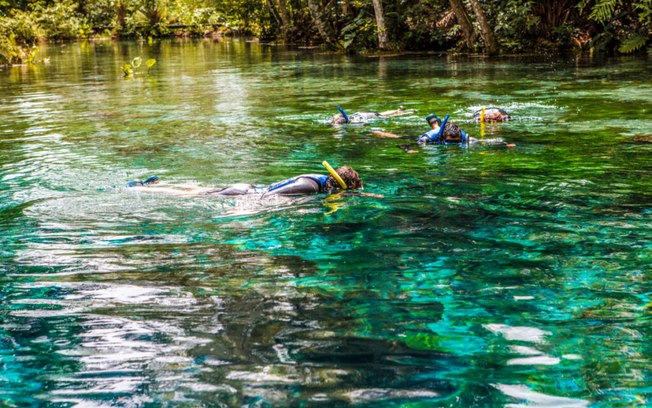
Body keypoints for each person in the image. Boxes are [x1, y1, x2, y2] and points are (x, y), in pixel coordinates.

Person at [126, 166, 362, 196]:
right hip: (244, 193)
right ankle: (147, 191)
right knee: (194, 195)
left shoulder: (319, 179)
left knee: (198, 188)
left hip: (245, 186)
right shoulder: (310, 186)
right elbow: (269, 196)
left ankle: (151, 185)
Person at [331, 106, 410, 125]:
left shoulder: (353, 123)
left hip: (368, 116)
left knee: (385, 116)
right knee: (381, 113)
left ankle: (401, 113)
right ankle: (398, 110)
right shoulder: (348, 119)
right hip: (361, 113)